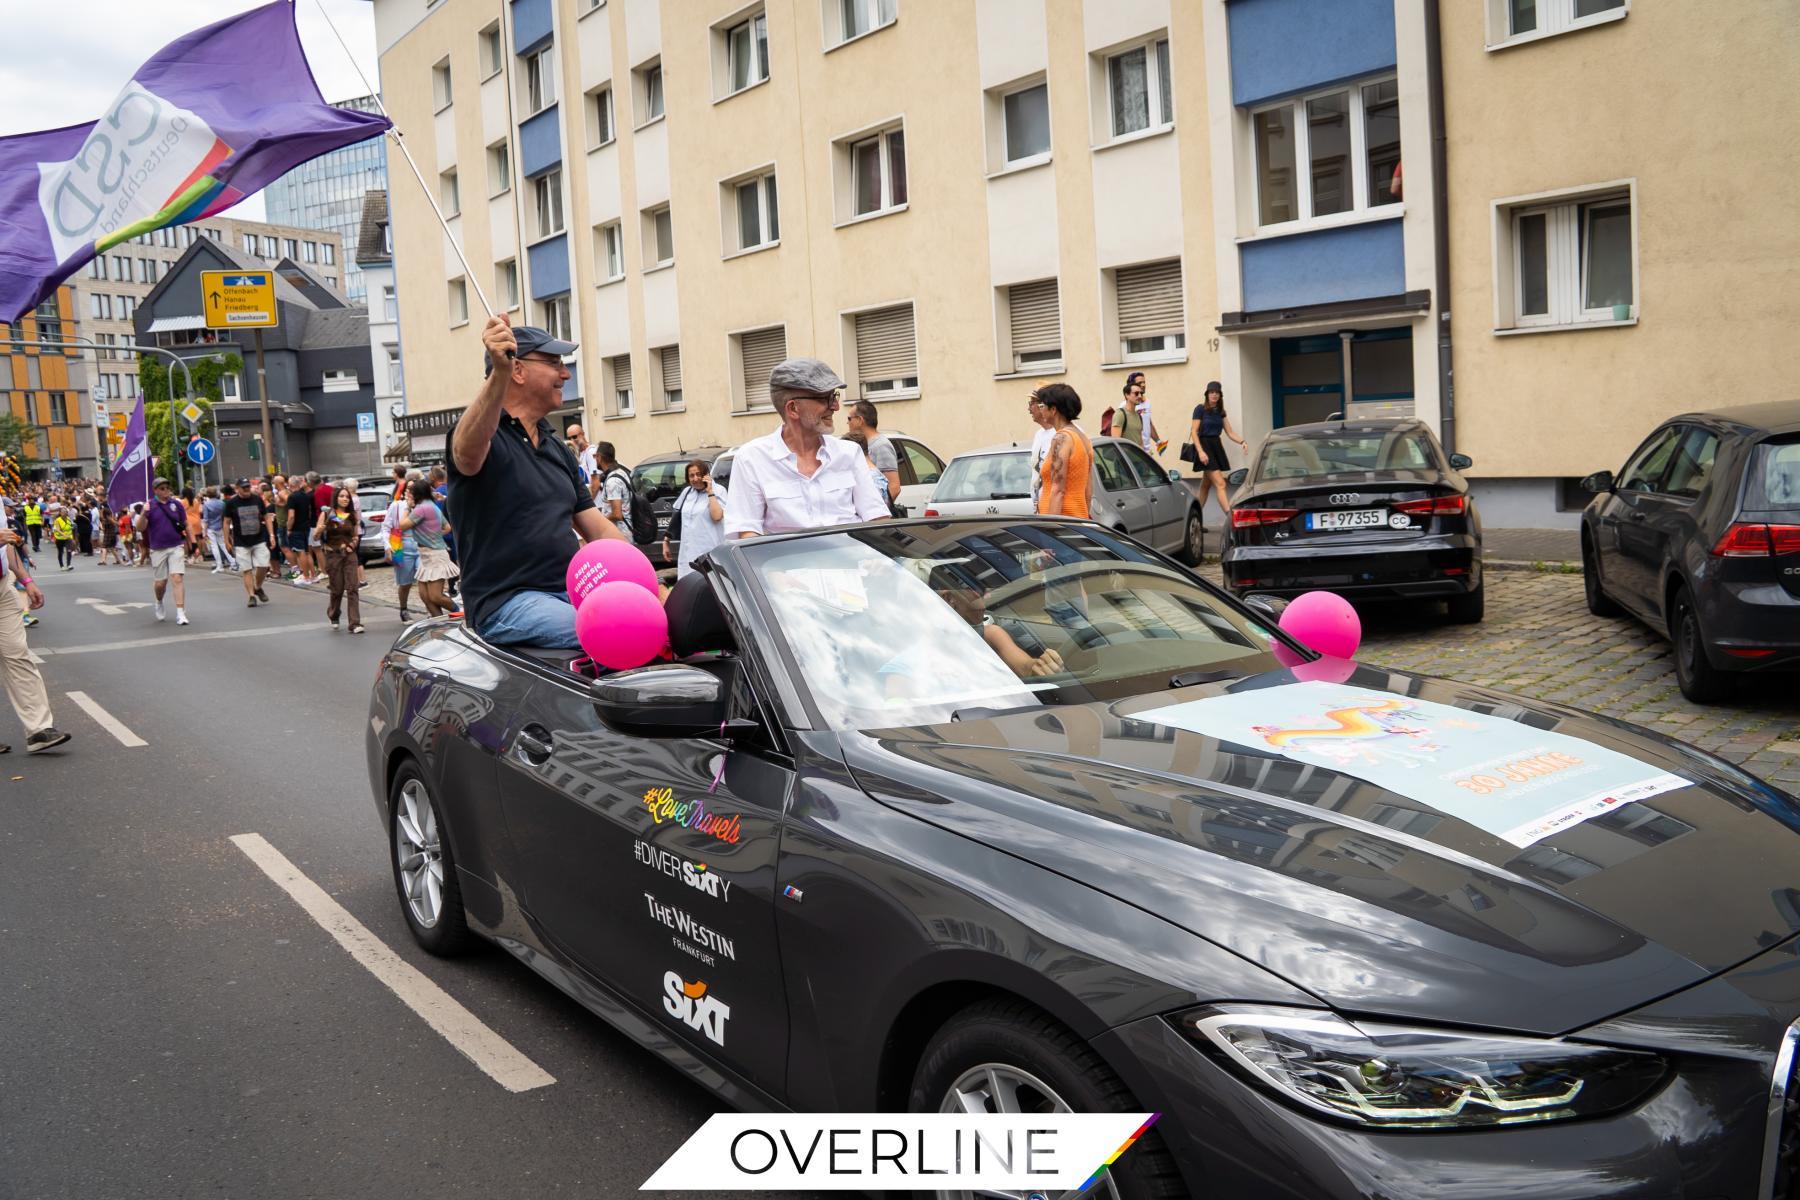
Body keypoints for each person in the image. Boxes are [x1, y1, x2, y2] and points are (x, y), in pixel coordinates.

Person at [447, 317, 628, 648]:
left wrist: (650, 585)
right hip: (506, 604)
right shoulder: (482, 437)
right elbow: (467, 451)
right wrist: (497, 375)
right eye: (553, 362)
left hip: (568, 592)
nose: (565, 373)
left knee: (652, 624)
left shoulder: (556, 447)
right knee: (613, 632)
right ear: (517, 370)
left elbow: (600, 531)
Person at [723, 358, 891, 539]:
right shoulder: (752, 458)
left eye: (834, 396)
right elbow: (748, 534)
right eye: (825, 398)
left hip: (852, 565)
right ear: (793, 408)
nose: (835, 406)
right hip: (787, 566)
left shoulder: (850, 453)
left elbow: (877, 519)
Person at [0, 528, 69, 754]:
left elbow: (6, 544)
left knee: (18, 654)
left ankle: (39, 730)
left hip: (2, 588)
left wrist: (26, 580)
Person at [1190, 380, 1249, 522]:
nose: (1214, 395)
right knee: (1221, 484)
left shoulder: (1220, 412)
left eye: (1217, 393)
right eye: (1211, 392)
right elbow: (1194, 431)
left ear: (1220, 395)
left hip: (1216, 446)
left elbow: (1229, 432)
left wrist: (1242, 441)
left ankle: (1193, 519)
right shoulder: (1200, 409)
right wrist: (1200, 452)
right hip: (1204, 446)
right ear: (1207, 394)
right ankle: (1231, 519)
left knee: (1205, 486)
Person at [398, 478, 457, 618]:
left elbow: (402, 525)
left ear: (417, 493)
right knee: (425, 596)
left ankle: (463, 612)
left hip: (434, 555)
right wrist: (434, 534)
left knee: (435, 596)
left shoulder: (422, 508)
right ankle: (440, 623)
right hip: (426, 555)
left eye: (410, 492)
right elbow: (447, 527)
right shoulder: (431, 505)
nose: (408, 495)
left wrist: (407, 506)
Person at [661, 459, 727, 580]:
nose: (695, 478)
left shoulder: (719, 490)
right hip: (688, 552)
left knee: (710, 585)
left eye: (698, 474)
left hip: (709, 551)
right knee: (690, 586)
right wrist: (666, 541)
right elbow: (676, 517)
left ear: (706, 475)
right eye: (691, 475)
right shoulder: (687, 492)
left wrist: (710, 492)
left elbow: (717, 517)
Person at [1035, 384, 1095, 519]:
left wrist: (1051, 528)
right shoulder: (1083, 437)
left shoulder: (1061, 439)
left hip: (1062, 523)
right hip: (1077, 520)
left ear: (1053, 409)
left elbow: (1058, 490)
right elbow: (1088, 490)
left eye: (1041, 406)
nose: (1040, 410)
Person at [137, 478, 190, 625]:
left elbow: (185, 524)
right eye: (162, 488)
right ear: (155, 490)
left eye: (167, 487)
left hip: (176, 545)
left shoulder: (176, 504)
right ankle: (159, 601)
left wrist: (191, 542)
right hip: (158, 548)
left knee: (177, 578)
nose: (165, 490)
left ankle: (180, 612)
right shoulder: (150, 506)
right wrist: (143, 513)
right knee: (161, 583)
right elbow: (140, 528)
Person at [316, 485, 365, 633]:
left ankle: (355, 623)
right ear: (336, 498)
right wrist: (320, 529)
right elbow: (316, 537)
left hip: (349, 555)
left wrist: (352, 545)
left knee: (352, 588)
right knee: (337, 589)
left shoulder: (352, 515)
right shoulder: (327, 514)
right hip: (333, 555)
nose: (344, 499)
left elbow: (356, 535)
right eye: (341, 496)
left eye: (347, 497)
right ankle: (334, 613)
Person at [221, 477, 273, 607]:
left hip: (259, 538)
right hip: (241, 541)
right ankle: (251, 596)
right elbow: (226, 522)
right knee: (247, 569)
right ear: (237, 489)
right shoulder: (231, 503)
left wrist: (271, 534)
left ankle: (257, 587)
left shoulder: (257, 499)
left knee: (263, 565)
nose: (246, 490)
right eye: (243, 487)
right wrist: (226, 540)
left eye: (248, 487)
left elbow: (266, 517)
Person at [844, 400, 900, 504]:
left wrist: (876, 513)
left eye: (849, 418)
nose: (847, 422)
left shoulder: (881, 446)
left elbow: (894, 487)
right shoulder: (862, 444)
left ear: (860, 420)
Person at [385, 482, 420, 620]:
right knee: (405, 583)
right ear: (405, 491)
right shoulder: (397, 506)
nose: (411, 492)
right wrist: (387, 546)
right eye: (409, 489)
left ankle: (431, 609)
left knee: (425, 578)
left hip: (421, 545)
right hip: (402, 544)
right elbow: (386, 527)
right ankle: (403, 608)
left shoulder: (423, 506)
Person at [1112, 373, 1165, 455]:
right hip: (1129, 454)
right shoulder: (1123, 408)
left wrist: (1158, 441)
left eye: (1144, 382)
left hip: (1143, 451)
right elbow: (1116, 438)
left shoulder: (1147, 402)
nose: (1143, 385)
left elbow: (1148, 423)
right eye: (1140, 383)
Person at [285, 476, 319, 585]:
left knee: (300, 553)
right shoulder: (305, 496)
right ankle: (313, 576)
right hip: (306, 526)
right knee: (307, 552)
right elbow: (309, 511)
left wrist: (289, 528)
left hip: (296, 528)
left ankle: (305, 576)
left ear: (290, 485)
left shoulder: (292, 497)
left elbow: (291, 516)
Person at [596, 442, 632, 531]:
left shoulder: (612, 482)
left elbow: (617, 514)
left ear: (599, 457)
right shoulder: (621, 472)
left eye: (595, 456)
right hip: (623, 532)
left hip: (619, 533)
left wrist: (600, 521)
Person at [567, 424, 601, 497]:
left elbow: (596, 482)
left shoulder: (591, 452)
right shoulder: (579, 453)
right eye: (569, 438)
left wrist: (589, 503)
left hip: (596, 502)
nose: (572, 440)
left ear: (582, 434)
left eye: (574, 437)